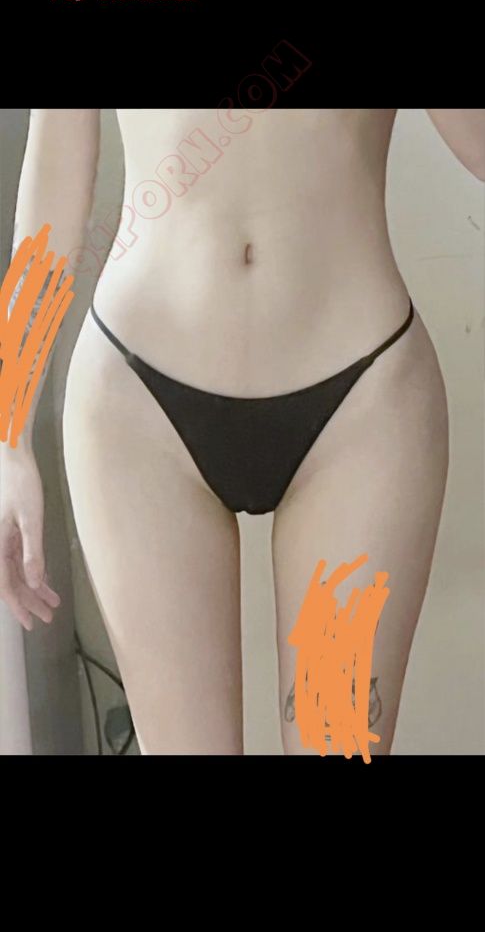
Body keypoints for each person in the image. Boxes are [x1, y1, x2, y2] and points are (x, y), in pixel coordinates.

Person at [1, 109, 484, 756]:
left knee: (336, 741)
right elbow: (56, 172)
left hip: (360, 404)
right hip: (139, 410)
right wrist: (10, 431)